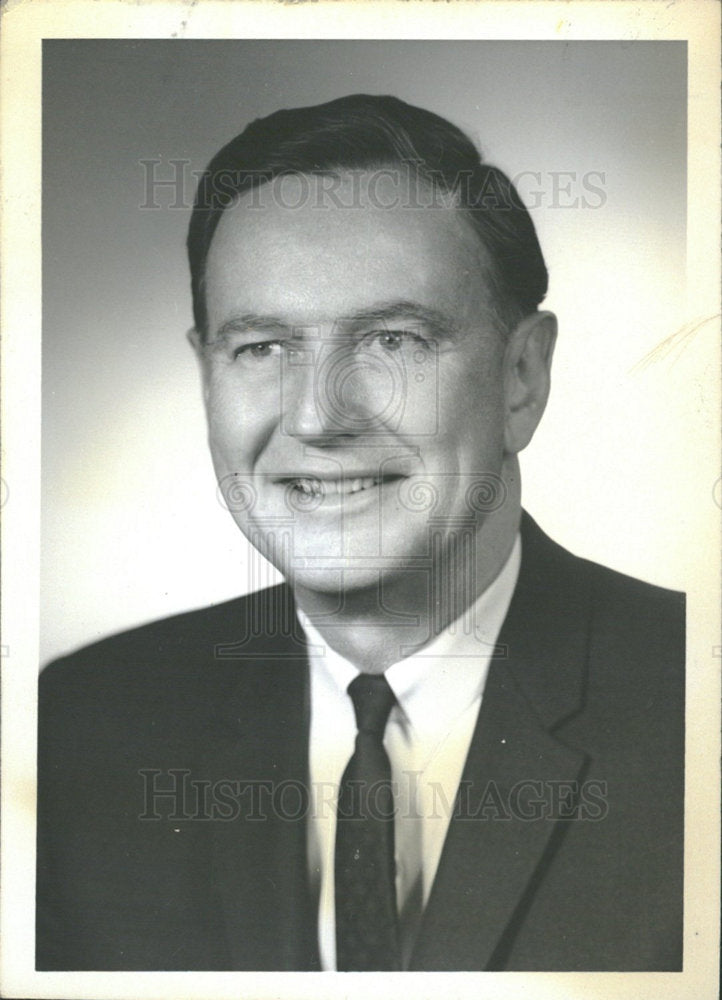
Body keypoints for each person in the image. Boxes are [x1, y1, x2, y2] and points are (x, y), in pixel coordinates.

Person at [36, 94, 684, 972]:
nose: (317, 418)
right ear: (204, 373)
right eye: (262, 348)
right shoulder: (80, 729)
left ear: (522, 377)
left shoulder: (695, 704)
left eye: (392, 339)